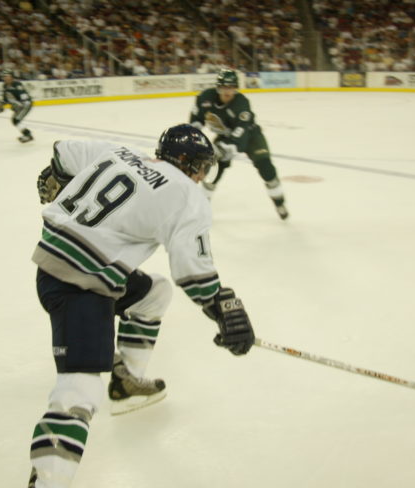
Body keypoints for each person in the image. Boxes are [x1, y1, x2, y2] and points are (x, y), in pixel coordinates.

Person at [29, 123, 255, 488]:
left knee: (154, 293)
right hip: (80, 283)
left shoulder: (120, 152)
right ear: (189, 164)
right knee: (79, 390)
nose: (201, 176)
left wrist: (55, 175)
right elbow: (192, 270)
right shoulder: (187, 195)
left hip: (62, 262)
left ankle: (125, 382)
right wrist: (221, 307)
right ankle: (47, 481)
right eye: (201, 167)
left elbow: (63, 151)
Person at [189, 68, 288, 219]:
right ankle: (203, 205)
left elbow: (241, 132)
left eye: (231, 88)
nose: (228, 92)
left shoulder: (241, 103)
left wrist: (225, 148)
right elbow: (196, 120)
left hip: (250, 136)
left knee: (266, 166)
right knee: (213, 170)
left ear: (236, 88)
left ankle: (279, 202)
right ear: (218, 87)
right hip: (226, 136)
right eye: (224, 87)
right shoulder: (205, 97)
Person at [0, 70, 34, 142]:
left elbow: (23, 96)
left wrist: (16, 105)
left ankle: (28, 135)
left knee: (16, 120)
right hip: (19, 106)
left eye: (7, 76)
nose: (5, 78)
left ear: (11, 77)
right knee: (15, 121)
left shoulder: (17, 84)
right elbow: (6, 98)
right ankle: (27, 134)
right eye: (4, 77)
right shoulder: (4, 86)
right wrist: (1, 105)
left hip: (25, 105)